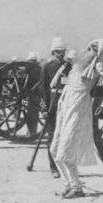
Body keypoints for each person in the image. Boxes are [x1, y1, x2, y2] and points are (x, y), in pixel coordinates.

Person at [50, 38, 103, 198]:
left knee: (65, 151)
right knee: (54, 150)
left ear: (98, 53)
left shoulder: (97, 66)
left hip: (78, 110)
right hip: (65, 108)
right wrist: (55, 81)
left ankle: (77, 188)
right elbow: (69, 81)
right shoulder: (78, 65)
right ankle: (68, 184)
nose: (89, 51)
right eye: (89, 48)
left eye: (93, 50)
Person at [40, 36, 72, 177]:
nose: (61, 54)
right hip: (52, 102)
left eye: (62, 51)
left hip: (65, 102)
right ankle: (53, 167)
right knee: (52, 136)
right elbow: (43, 89)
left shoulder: (69, 66)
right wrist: (44, 107)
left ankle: (64, 166)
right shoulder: (46, 67)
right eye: (58, 51)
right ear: (53, 52)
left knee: (66, 136)